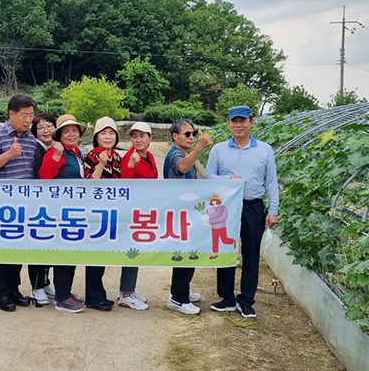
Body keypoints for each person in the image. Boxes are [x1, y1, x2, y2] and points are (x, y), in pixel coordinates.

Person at [205, 105, 279, 319]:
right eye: (234, 121)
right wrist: (228, 179)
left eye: (243, 121)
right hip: (226, 206)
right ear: (228, 123)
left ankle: (246, 300)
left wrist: (273, 210)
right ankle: (227, 298)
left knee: (251, 254)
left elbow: (271, 181)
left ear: (251, 122)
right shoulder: (219, 149)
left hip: (253, 206)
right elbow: (209, 176)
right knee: (226, 250)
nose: (238, 125)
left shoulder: (264, 150)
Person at [0, 94, 37, 312]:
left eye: (31, 115)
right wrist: (9, 154)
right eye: (24, 115)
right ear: (11, 114)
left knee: (18, 248)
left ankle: (14, 289)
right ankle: (1, 293)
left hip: (25, 204)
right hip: (3, 205)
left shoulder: (30, 138)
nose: (28, 120)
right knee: (3, 249)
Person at [38, 114, 88, 313]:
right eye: (66, 131)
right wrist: (56, 157)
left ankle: (65, 292)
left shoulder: (77, 153)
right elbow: (44, 177)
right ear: (59, 135)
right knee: (64, 254)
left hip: (74, 211)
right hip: (60, 212)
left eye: (74, 130)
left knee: (72, 253)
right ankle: (61, 298)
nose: (71, 134)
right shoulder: (55, 151)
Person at [164, 118, 213, 315]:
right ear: (175, 136)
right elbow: (181, 168)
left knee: (190, 252)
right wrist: (199, 148)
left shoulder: (184, 153)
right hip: (180, 213)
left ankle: (183, 289)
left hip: (187, 212)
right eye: (187, 134)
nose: (191, 137)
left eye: (193, 134)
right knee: (184, 253)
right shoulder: (175, 154)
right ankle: (178, 298)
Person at [82, 116, 122, 311]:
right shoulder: (92, 155)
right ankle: (93, 297)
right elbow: (90, 183)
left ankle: (99, 294)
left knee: (103, 255)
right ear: (96, 137)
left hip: (110, 211)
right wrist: (100, 164)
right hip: (95, 212)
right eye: (103, 133)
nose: (107, 137)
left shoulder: (117, 157)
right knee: (95, 255)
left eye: (111, 133)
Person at [117, 122, 157, 310]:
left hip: (143, 211)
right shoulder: (129, 157)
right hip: (132, 212)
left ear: (150, 138)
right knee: (131, 251)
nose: (138, 140)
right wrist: (131, 165)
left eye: (142, 136)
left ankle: (130, 290)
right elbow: (124, 186)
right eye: (134, 136)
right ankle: (125, 293)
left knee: (137, 250)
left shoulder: (149, 156)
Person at [28, 112, 58, 305]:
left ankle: (45, 281)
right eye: (40, 128)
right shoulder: (35, 149)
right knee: (38, 245)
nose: (45, 131)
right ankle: (36, 286)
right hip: (38, 204)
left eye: (49, 126)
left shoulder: (58, 148)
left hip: (54, 204)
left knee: (51, 245)